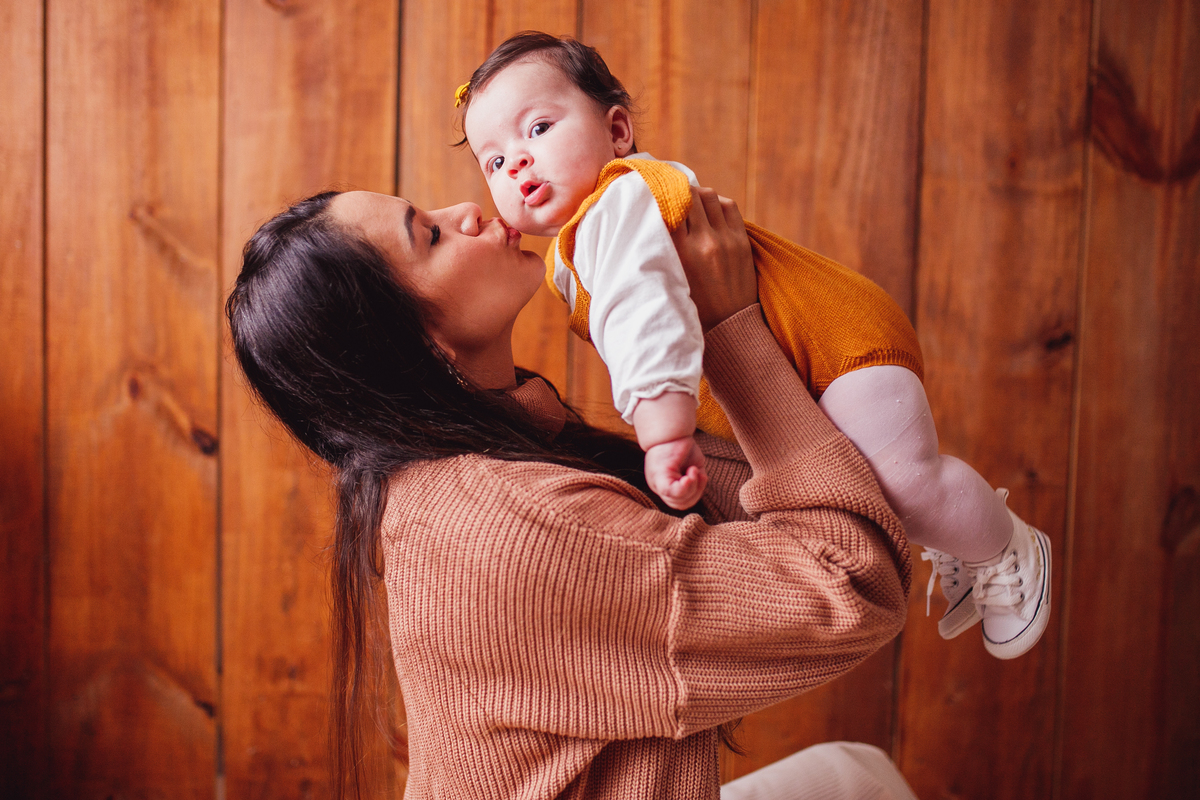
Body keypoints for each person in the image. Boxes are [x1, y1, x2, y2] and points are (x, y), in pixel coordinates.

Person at [227, 184, 916, 799]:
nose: (465, 210)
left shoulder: (472, 464)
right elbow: (856, 586)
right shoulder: (517, 524)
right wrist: (725, 326)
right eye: (429, 235)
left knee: (854, 774)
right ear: (420, 345)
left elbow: (762, 494)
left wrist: (655, 330)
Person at [455, 31, 1051, 660]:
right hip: (793, 366)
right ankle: (955, 533)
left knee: (903, 485)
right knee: (863, 488)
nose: (517, 162)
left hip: (832, 340)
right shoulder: (569, 256)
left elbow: (646, 316)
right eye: (494, 161)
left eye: (539, 127)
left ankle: (1004, 545)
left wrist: (662, 430)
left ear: (618, 131)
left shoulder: (621, 199)